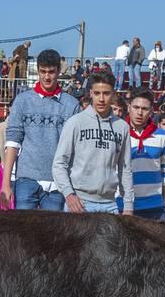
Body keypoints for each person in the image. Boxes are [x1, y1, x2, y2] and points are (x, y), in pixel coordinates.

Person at [1, 50, 80, 210]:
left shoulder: (72, 105)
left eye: (51, 72)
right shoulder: (22, 101)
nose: (47, 76)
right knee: (23, 232)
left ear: (58, 71)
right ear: (38, 71)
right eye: (43, 71)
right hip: (26, 179)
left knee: (52, 234)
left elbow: (77, 150)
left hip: (58, 182)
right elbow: (13, 141)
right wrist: (6, 183)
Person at [51, 71, 133, 215]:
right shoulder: (75, 123)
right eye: (97, 93)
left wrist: (128, 206)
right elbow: (59, 163)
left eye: (106, 93)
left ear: (113, 94)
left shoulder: (122, 127)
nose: (101, 99)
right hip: (80, 203)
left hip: (110, 204)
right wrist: (69, 195)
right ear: (90, 93)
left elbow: (125, 169)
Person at [124, 91, 165, 220]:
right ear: (129, 107)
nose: (139, 113)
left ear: (151, 111)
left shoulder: (162, 136)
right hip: (123, 205)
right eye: (136, 107)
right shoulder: (119, 132)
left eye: (144, 109)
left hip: (154, 206)